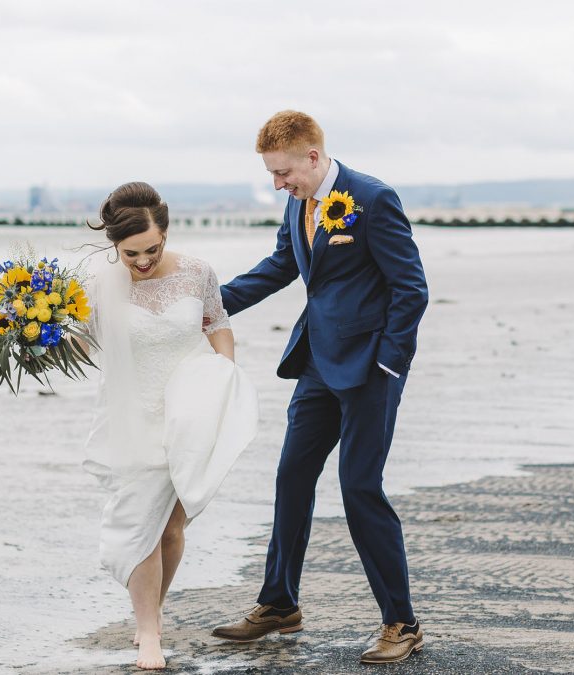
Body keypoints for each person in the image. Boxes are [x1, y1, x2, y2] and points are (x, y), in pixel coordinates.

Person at [209, 111, 429, 665]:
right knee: (291, 476)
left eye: (284, 173)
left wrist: (389, 363)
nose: (279, 184)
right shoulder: (297, 200)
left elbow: (412, 288)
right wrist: (209, 305)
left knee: (358, 488)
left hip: (371, 370)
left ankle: (401, 621)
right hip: (316, 364)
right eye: (273, 176)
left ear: (312, 156)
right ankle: (279, 603)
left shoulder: (373, 199)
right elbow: (281, 265)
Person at [81, 182, 258, 669]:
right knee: (139, 520)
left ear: (166, 233)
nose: (142, 261)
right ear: (114, 245)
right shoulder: (96, 285)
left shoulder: (197, 271)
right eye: (131, 253)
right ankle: (149, 632)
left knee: (172, 527)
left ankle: (152, 612)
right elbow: (78, 344)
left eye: (152, 250)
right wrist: (30, 333)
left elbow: (216, 322)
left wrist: (226, 371)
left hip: (190, 406)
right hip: (132, 413)